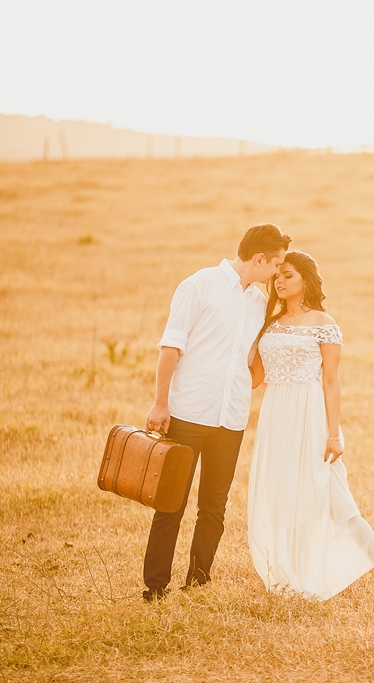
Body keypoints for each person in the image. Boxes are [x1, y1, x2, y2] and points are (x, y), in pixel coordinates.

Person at [247, 251, 374, 614]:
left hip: (312, 418)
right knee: (287, 499)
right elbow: (257, 377)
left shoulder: (323, 323)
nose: (280, 281)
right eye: (278, 276)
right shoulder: (269, 324)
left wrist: (333, 434)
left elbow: (331, 381)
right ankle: (294, 581)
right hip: (276, 418)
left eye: (288, 275)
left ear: (305, 279)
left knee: (339, 504)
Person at [142, 224, 291, 602]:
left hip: (232, 418)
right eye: (275, 265)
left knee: (214, 505)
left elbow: (252, 361)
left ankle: (198, 581)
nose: (276, 273)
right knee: (171, 502)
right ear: (258, 259)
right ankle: (155, 586)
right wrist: (161, 403)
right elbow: (170, 348)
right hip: (189, 412)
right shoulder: (198, 285)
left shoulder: (259, 303)